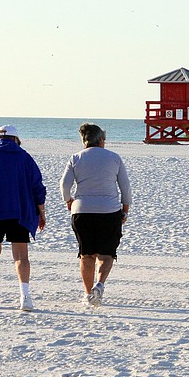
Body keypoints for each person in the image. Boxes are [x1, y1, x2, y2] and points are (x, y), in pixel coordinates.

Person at [0, 125, 47, 311]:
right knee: (21, 256)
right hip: (19, 212)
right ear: (15, 139)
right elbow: (38, 187)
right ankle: (25, 297)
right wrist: (41, 212)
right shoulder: (25, 157)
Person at [60, 123, 132, 307]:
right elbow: (125, 188)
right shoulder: (114, 158)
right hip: (109, 211)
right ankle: (99, 285)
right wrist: (125, 210)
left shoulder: (76, 158)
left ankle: (87, 293)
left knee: (86, 254)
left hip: (82, 211)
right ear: (100, 140)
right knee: (107, 254)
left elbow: (64, 185)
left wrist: (68, 200)